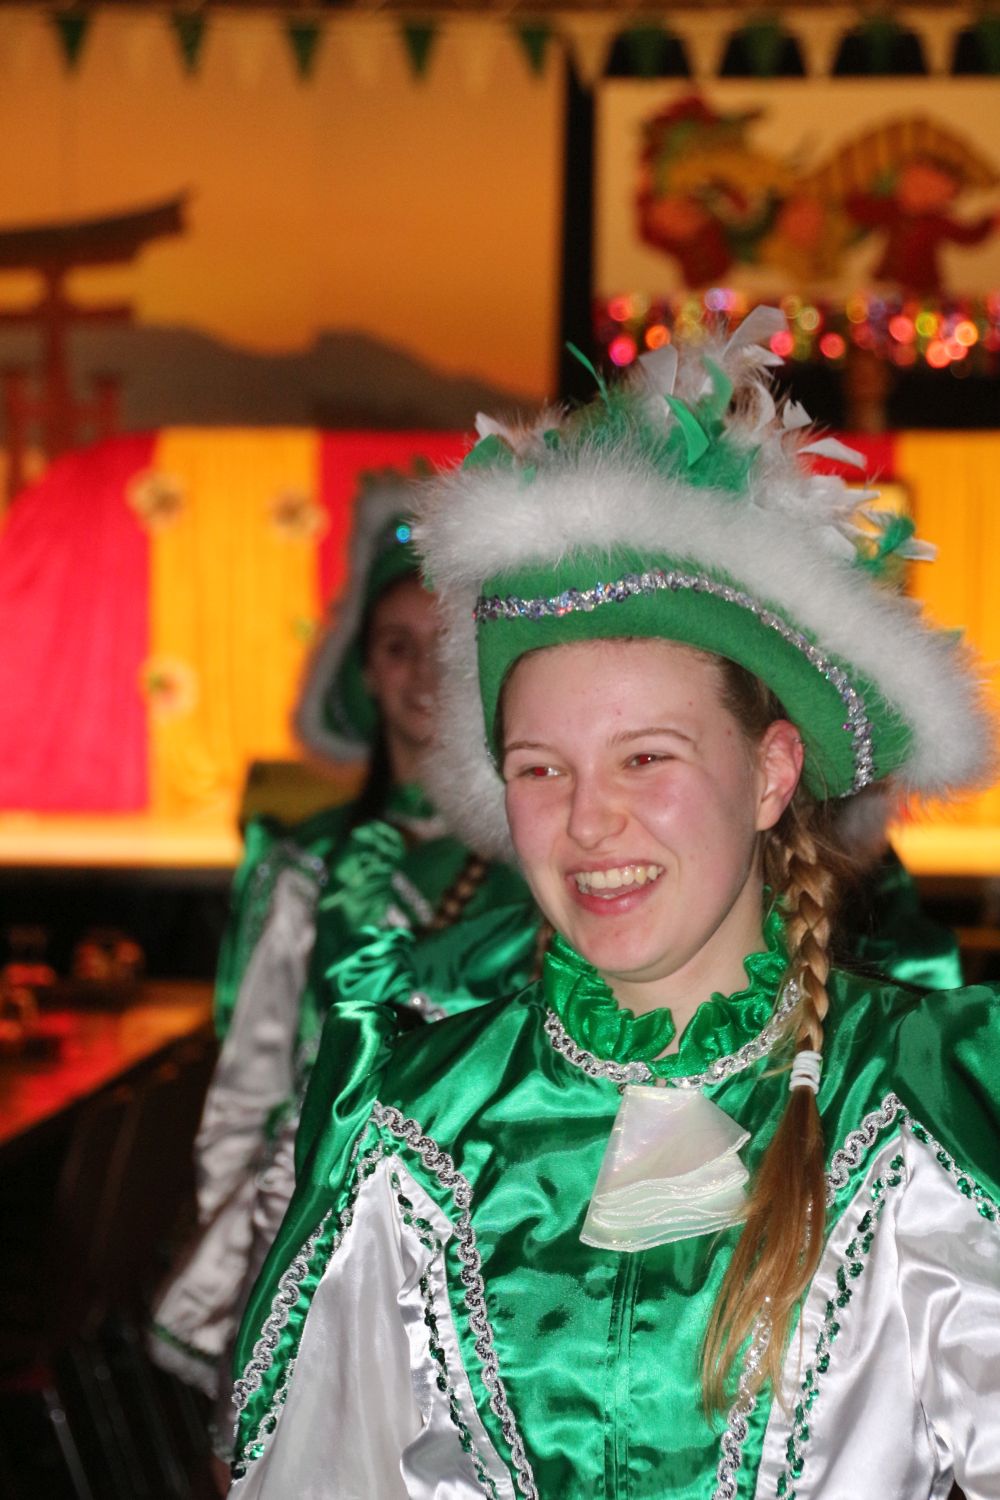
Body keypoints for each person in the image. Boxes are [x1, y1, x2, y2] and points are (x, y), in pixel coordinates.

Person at [227, 311, 998, 1498]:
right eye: (540, 768)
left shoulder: (923, 1102)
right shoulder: (410, 1126)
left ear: (770, 775)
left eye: (646, 759)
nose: (589, 823)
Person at [147, 472, 537, 1463]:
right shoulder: (305, 864)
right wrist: (239, 1251)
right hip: (308, 1224)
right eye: (394, 646)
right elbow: (249, 1079)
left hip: (489, 1238)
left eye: (441, 644)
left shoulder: (543, 859)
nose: (419, 671)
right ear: (364, 668)